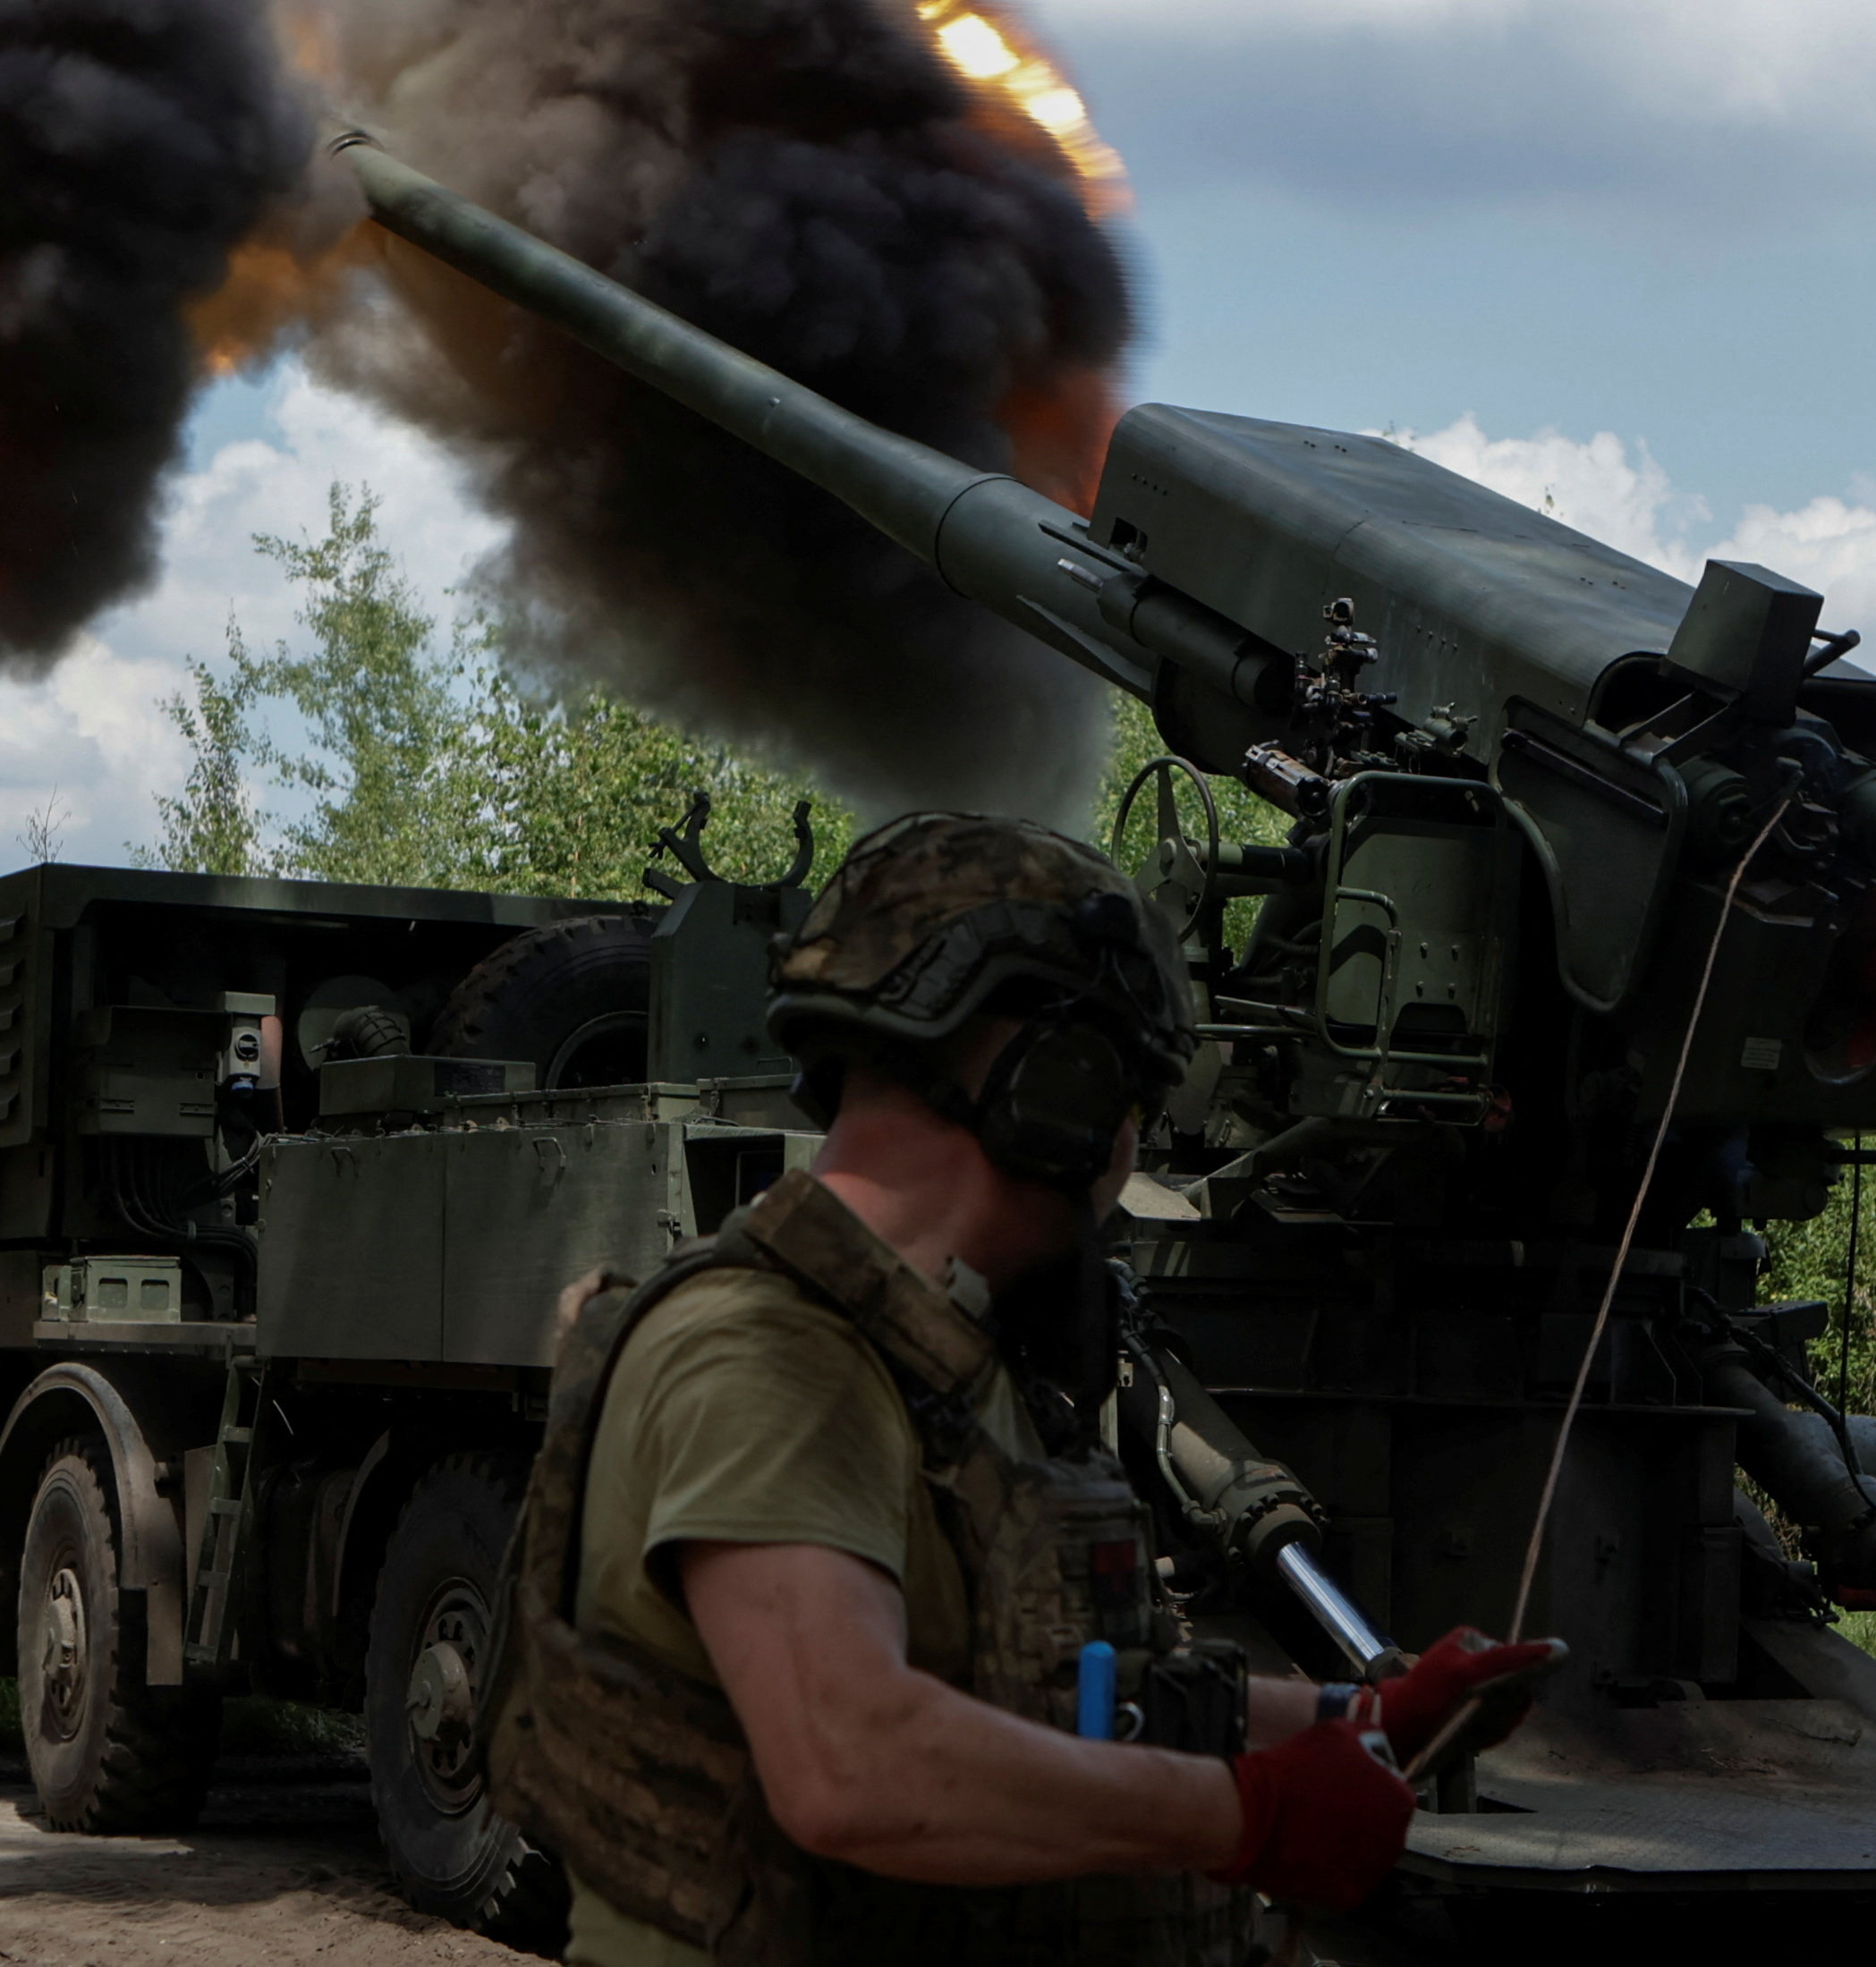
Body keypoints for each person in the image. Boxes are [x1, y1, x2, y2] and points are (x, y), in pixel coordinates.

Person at [484, 811, 1556, 1964]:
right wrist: (1249, 1818)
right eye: (1130, 1097)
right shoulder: (764, 1351)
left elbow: (1062, 1693)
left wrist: (1359, 1722)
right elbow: (854, 1764)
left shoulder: (948, 1362)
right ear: (1060, 1082)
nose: (1128, 1144)